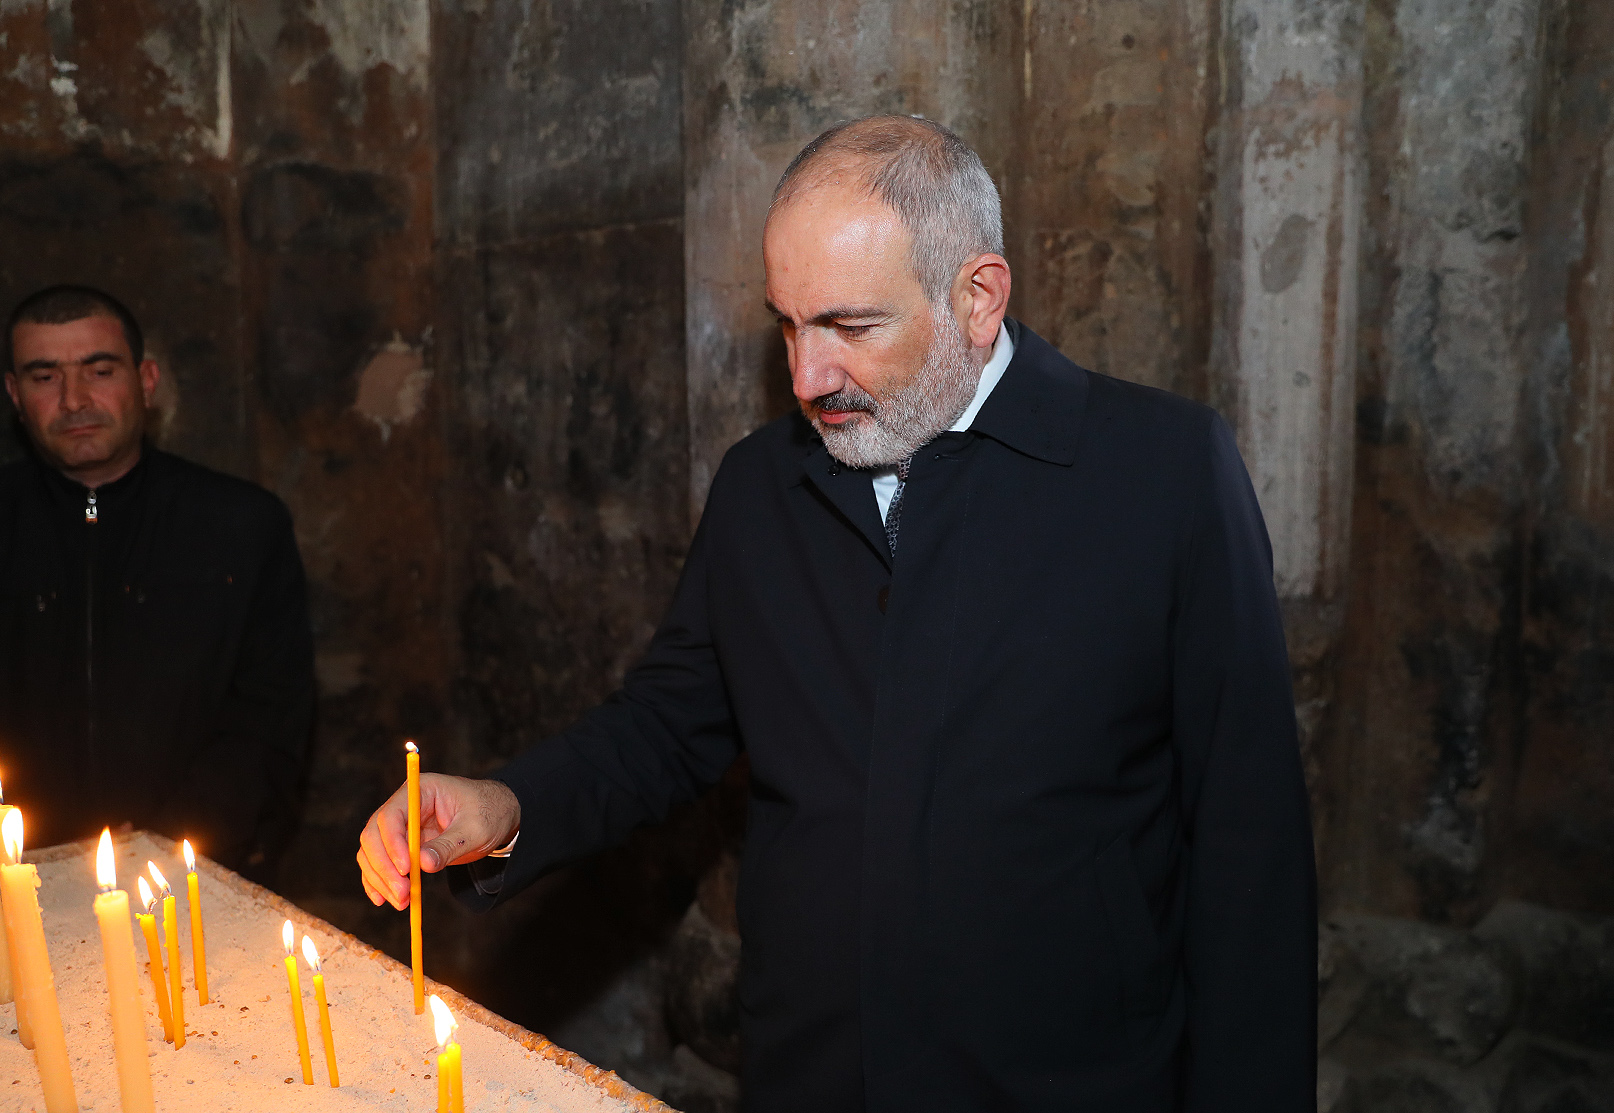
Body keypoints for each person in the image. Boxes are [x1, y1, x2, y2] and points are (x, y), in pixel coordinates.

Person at [357, 116, 1316, 1111]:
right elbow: (668, 723)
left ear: (977, 297)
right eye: (787, 324)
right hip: (813, 1074)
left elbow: (1249, 848)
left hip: (1068, 1083)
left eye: (850, 328)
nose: (806, 378)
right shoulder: (759, 486)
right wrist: (508, 807)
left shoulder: (1162, 473)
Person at [0, 285, 315, 882]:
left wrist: (165, 844)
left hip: (194, 876)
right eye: (45, 376)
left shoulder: (239, 526)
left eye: (99, 370)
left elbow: (270, 719)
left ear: (146, 380)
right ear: (14, 394)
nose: (74, 399)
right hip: (5, 883)